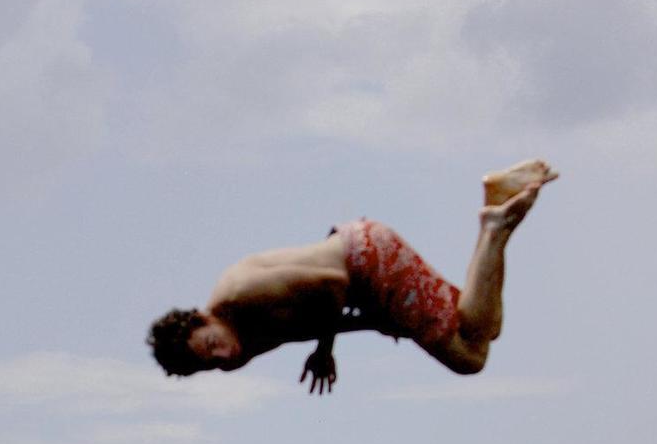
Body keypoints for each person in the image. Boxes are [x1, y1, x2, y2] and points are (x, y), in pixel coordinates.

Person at [147, 161, 557, 394]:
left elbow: (331, 284)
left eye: (212, 345)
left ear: (204, 317)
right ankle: (497, 213)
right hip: (365, 278)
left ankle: (495, 225)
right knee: (485, 328)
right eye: (210, 364)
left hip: (366, 258)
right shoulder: (236, 348)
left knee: (469, 355)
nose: (223, 357)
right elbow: (308, 322)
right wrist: (374, 324)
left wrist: (327, 350)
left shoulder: (241, 293)